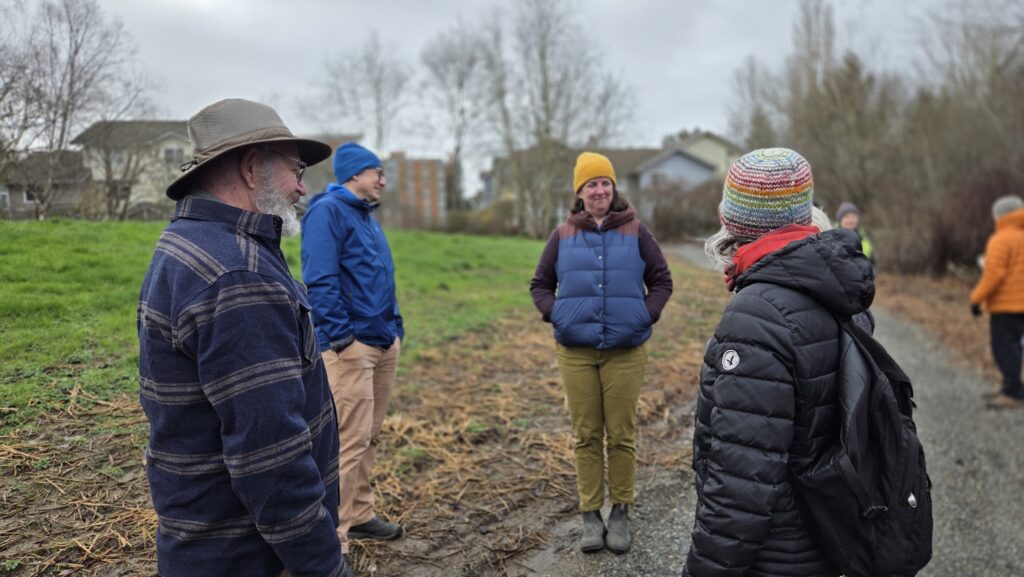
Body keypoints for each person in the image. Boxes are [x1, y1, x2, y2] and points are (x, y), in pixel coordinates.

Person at [137, 99, 351, 577]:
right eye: (296, 169)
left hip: (207, 541)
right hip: (243, 552)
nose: (302, 187)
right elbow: (270, 458)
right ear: (253, 167)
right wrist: (324, 566)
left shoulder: (193, 242)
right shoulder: (237, 274)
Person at [682, 148, 874, 577]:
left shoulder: (756, 316)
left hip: (777, 553)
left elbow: (740, 486)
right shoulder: (837, 287)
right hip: (829, 535)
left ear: (734, 221)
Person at [530, 151, 673, 555]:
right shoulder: (563, 235)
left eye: (605, 183)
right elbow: (540, 283)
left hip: (626, 351)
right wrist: (557, 314)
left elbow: (661, 280)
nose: (599, 190)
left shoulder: (636, 231)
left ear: (614, 188)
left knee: (622, 434)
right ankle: (591, 514)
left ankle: (621, 511)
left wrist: (645, 315)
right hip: (576, 352)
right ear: (579, 191)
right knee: (586, 435)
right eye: (591, 184)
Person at [301, 142, 405, 555]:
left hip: (382, 341)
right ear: (353, 174)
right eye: (375, 171)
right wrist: (343, 339)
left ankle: (360, 515)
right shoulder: (327, 212)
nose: (382, 179)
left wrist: (395, 327)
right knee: (346, 440)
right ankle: (334, 542)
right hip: (351, 348)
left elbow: (382, 278)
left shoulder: (367, 218)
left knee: (369, 436)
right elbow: (320, 280)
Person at [970, 194, 1024, 408]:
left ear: (1000, 215)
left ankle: (1012, 392)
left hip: (1006, 305)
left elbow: (994, 275)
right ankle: (1012, 386)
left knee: (1004, 348)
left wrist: (976, 300)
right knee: (1017, 348)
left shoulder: (1001, 239)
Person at [835, 201, 876, 267]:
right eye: (847, 217)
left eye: (853, 217)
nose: (851, 220)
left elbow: (871, 260)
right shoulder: (832, 236)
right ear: (840, 220)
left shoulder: (863, 235)